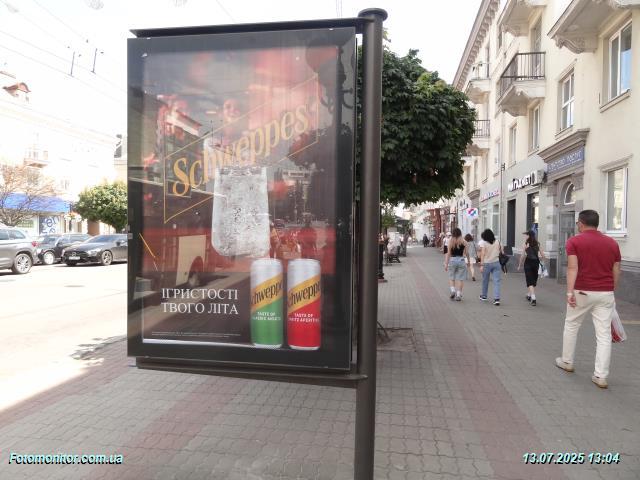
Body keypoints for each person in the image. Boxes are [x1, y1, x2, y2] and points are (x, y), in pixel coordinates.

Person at [555, 210, 621, 389]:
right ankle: (601, 376)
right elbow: (616, 269)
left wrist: (569, 293)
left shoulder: (574, 241)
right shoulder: (612, 243)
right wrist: (611, 289)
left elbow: (572, 268)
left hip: (582, 291)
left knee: (572, 325)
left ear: (581, 223)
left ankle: (567, 361)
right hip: (605, 293)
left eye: (578, 222)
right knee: (604, 334)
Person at [517, 230, 545, 306]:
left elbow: (522, 255)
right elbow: (543, 255)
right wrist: (543, 262)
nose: (525, 236)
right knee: (533, 281)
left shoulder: (526, 244)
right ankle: (529, 295)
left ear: (529, 236)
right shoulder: (537, 244)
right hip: (536, 263)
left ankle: (533, 298)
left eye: (526, 235)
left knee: (530, 281)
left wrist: (519, 265)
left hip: (528, 263)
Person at [478, 228, 503, 306]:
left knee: (485, 280)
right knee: (497, 281)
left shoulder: (484, 243)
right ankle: (496, 299)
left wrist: (481, 265)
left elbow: (482, 254)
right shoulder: (498, 242)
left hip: (486, 264)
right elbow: (502, 251)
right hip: (496, 263)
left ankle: (484, 296)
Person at [444, 228, 470, 301]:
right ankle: (458, 294)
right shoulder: (464, 241)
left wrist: (446, 264)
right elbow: (467, 253)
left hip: (452, 260)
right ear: (460, 233)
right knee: (461, 279)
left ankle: (453, 291)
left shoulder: (450, 241)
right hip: (461, 260)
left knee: (451, 277)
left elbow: (448, 254)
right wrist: (468, 261)